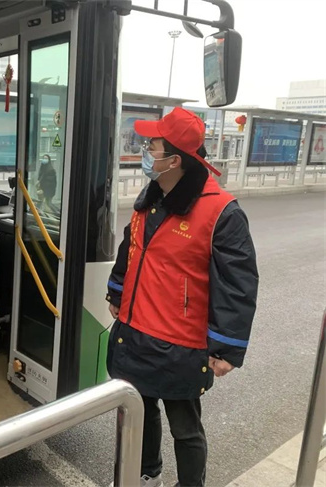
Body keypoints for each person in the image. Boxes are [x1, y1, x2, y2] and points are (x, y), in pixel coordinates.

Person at [106, 108, 258, 487]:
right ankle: (147, 473)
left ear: (174, 160)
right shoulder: (152, 196)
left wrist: (226, 348)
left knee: (185, 428)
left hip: (180, 344)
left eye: (152, 145)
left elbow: (238, 284)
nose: (145, 150)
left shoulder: (221, 211)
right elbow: (132, 248)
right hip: (136, 330)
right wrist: (117, 291)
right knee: (141, 410)